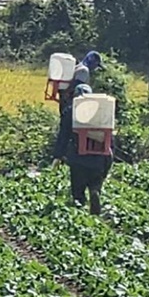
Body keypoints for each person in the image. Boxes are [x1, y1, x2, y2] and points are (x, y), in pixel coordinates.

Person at [52, 64, 113, 215]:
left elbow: (64, 135)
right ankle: (94, 192)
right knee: (95, 182)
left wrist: (58, 156)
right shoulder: (101, 111)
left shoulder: (70, 111)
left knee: (77, 191)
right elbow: (110, 135)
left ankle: (80, 206)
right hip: (99, 159)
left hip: (78, 158)